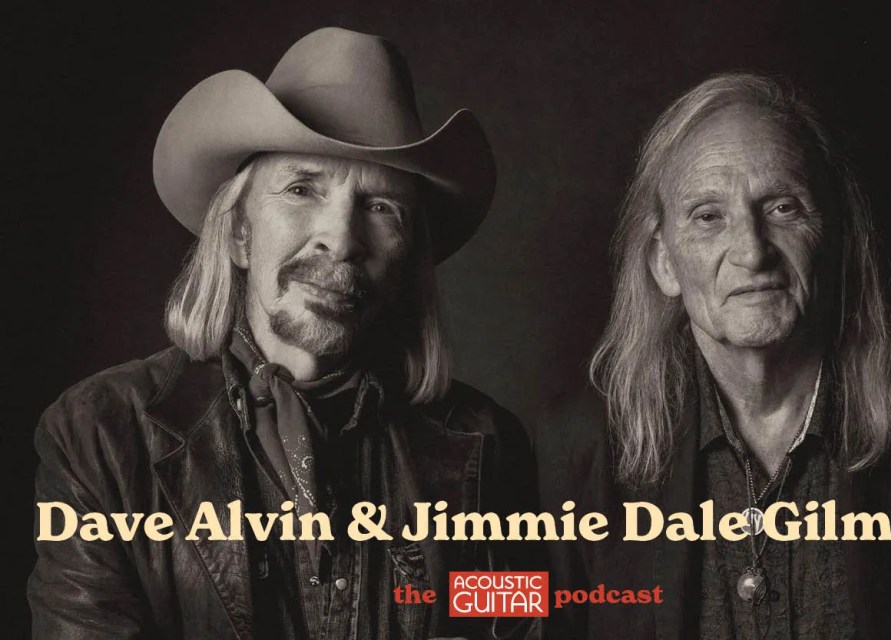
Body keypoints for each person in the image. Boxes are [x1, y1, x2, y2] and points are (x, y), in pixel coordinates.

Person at [29, 27, 539, 640]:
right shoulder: (99, 434)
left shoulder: (489, 445)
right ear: (239, 234)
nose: (341, 239)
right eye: (302, 189)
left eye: (382, 207)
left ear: (407, 260)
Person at [538, 72, 891, 639]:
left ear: (838, 237)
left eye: (783, 208)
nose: (751, 250)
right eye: (708, 216)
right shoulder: (574, 453)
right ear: (665, 264)